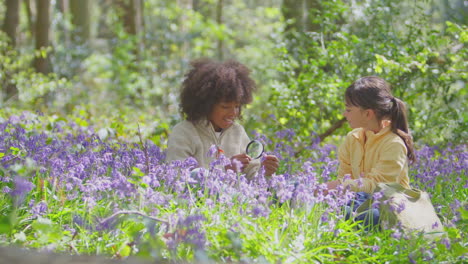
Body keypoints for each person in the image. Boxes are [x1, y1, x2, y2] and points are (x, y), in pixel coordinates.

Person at [165, 58, 280, 179]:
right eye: (225, 107)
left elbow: (252, 178)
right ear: (206, 105)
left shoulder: (238, 132)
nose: (233, 113)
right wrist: (225, 170)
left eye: (237, 106)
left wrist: (265, 172)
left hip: (236, 198)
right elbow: (176, 177)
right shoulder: (183, 132)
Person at [325, 76, 416, 226]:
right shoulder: (352, 138)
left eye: (348, 109)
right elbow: (345, 177)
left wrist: (341, 186)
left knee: (370, 215)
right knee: (330, 205)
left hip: (388, 207)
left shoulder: (393, 144)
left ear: (367, 114)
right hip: (358, 201)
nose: (344, 114)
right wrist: (334, 190)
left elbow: (380, 186)